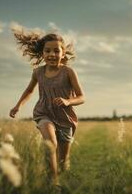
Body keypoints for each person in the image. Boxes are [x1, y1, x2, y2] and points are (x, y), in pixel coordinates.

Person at [9, 31, 85, 186]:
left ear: (63, 53)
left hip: (65, 117)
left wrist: (67, 101)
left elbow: (82, 97)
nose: (52, 54)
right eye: (47, 50)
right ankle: (52, 183)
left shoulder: (68, 72)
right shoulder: (38, 72)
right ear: (42, 53)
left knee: (63, 164)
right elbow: (29, 90)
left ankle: (61, 174)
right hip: (44, 113)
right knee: (50, 142)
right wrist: (18, 105)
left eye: (56, 50)